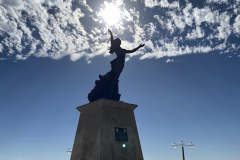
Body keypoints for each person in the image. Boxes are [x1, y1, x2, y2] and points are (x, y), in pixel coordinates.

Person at [107, 29, 145, 98]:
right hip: (119, 65)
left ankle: (110, 92)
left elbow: (132, 51)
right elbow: (132, 51)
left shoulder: (119, 49)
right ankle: (109, 93)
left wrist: (111, 33)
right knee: (114, 78)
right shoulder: (121, 50)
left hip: (118, 64)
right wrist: (111, 33)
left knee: (114, 78)